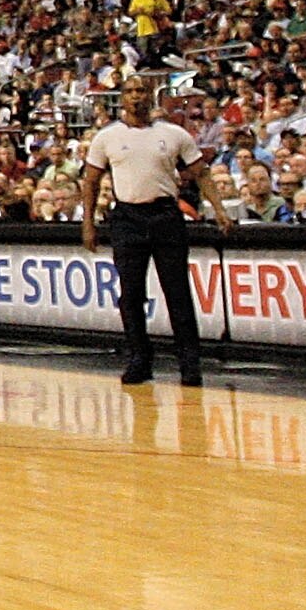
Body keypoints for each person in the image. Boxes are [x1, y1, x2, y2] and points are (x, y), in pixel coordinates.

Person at [79, 75, 227, 386]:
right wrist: (88, 224)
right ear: (122, 98)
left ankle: (189, 363)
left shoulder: (173, 133)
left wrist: (219, 209)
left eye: (141, 91)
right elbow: (91, 182)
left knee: (178, 291)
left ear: (151, 96)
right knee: (131, 294)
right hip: (127, 217)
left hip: (165, 215)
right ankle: (139, 359)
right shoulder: (107, 137)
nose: (136, 96)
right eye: (130, 91)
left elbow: (201, 173)